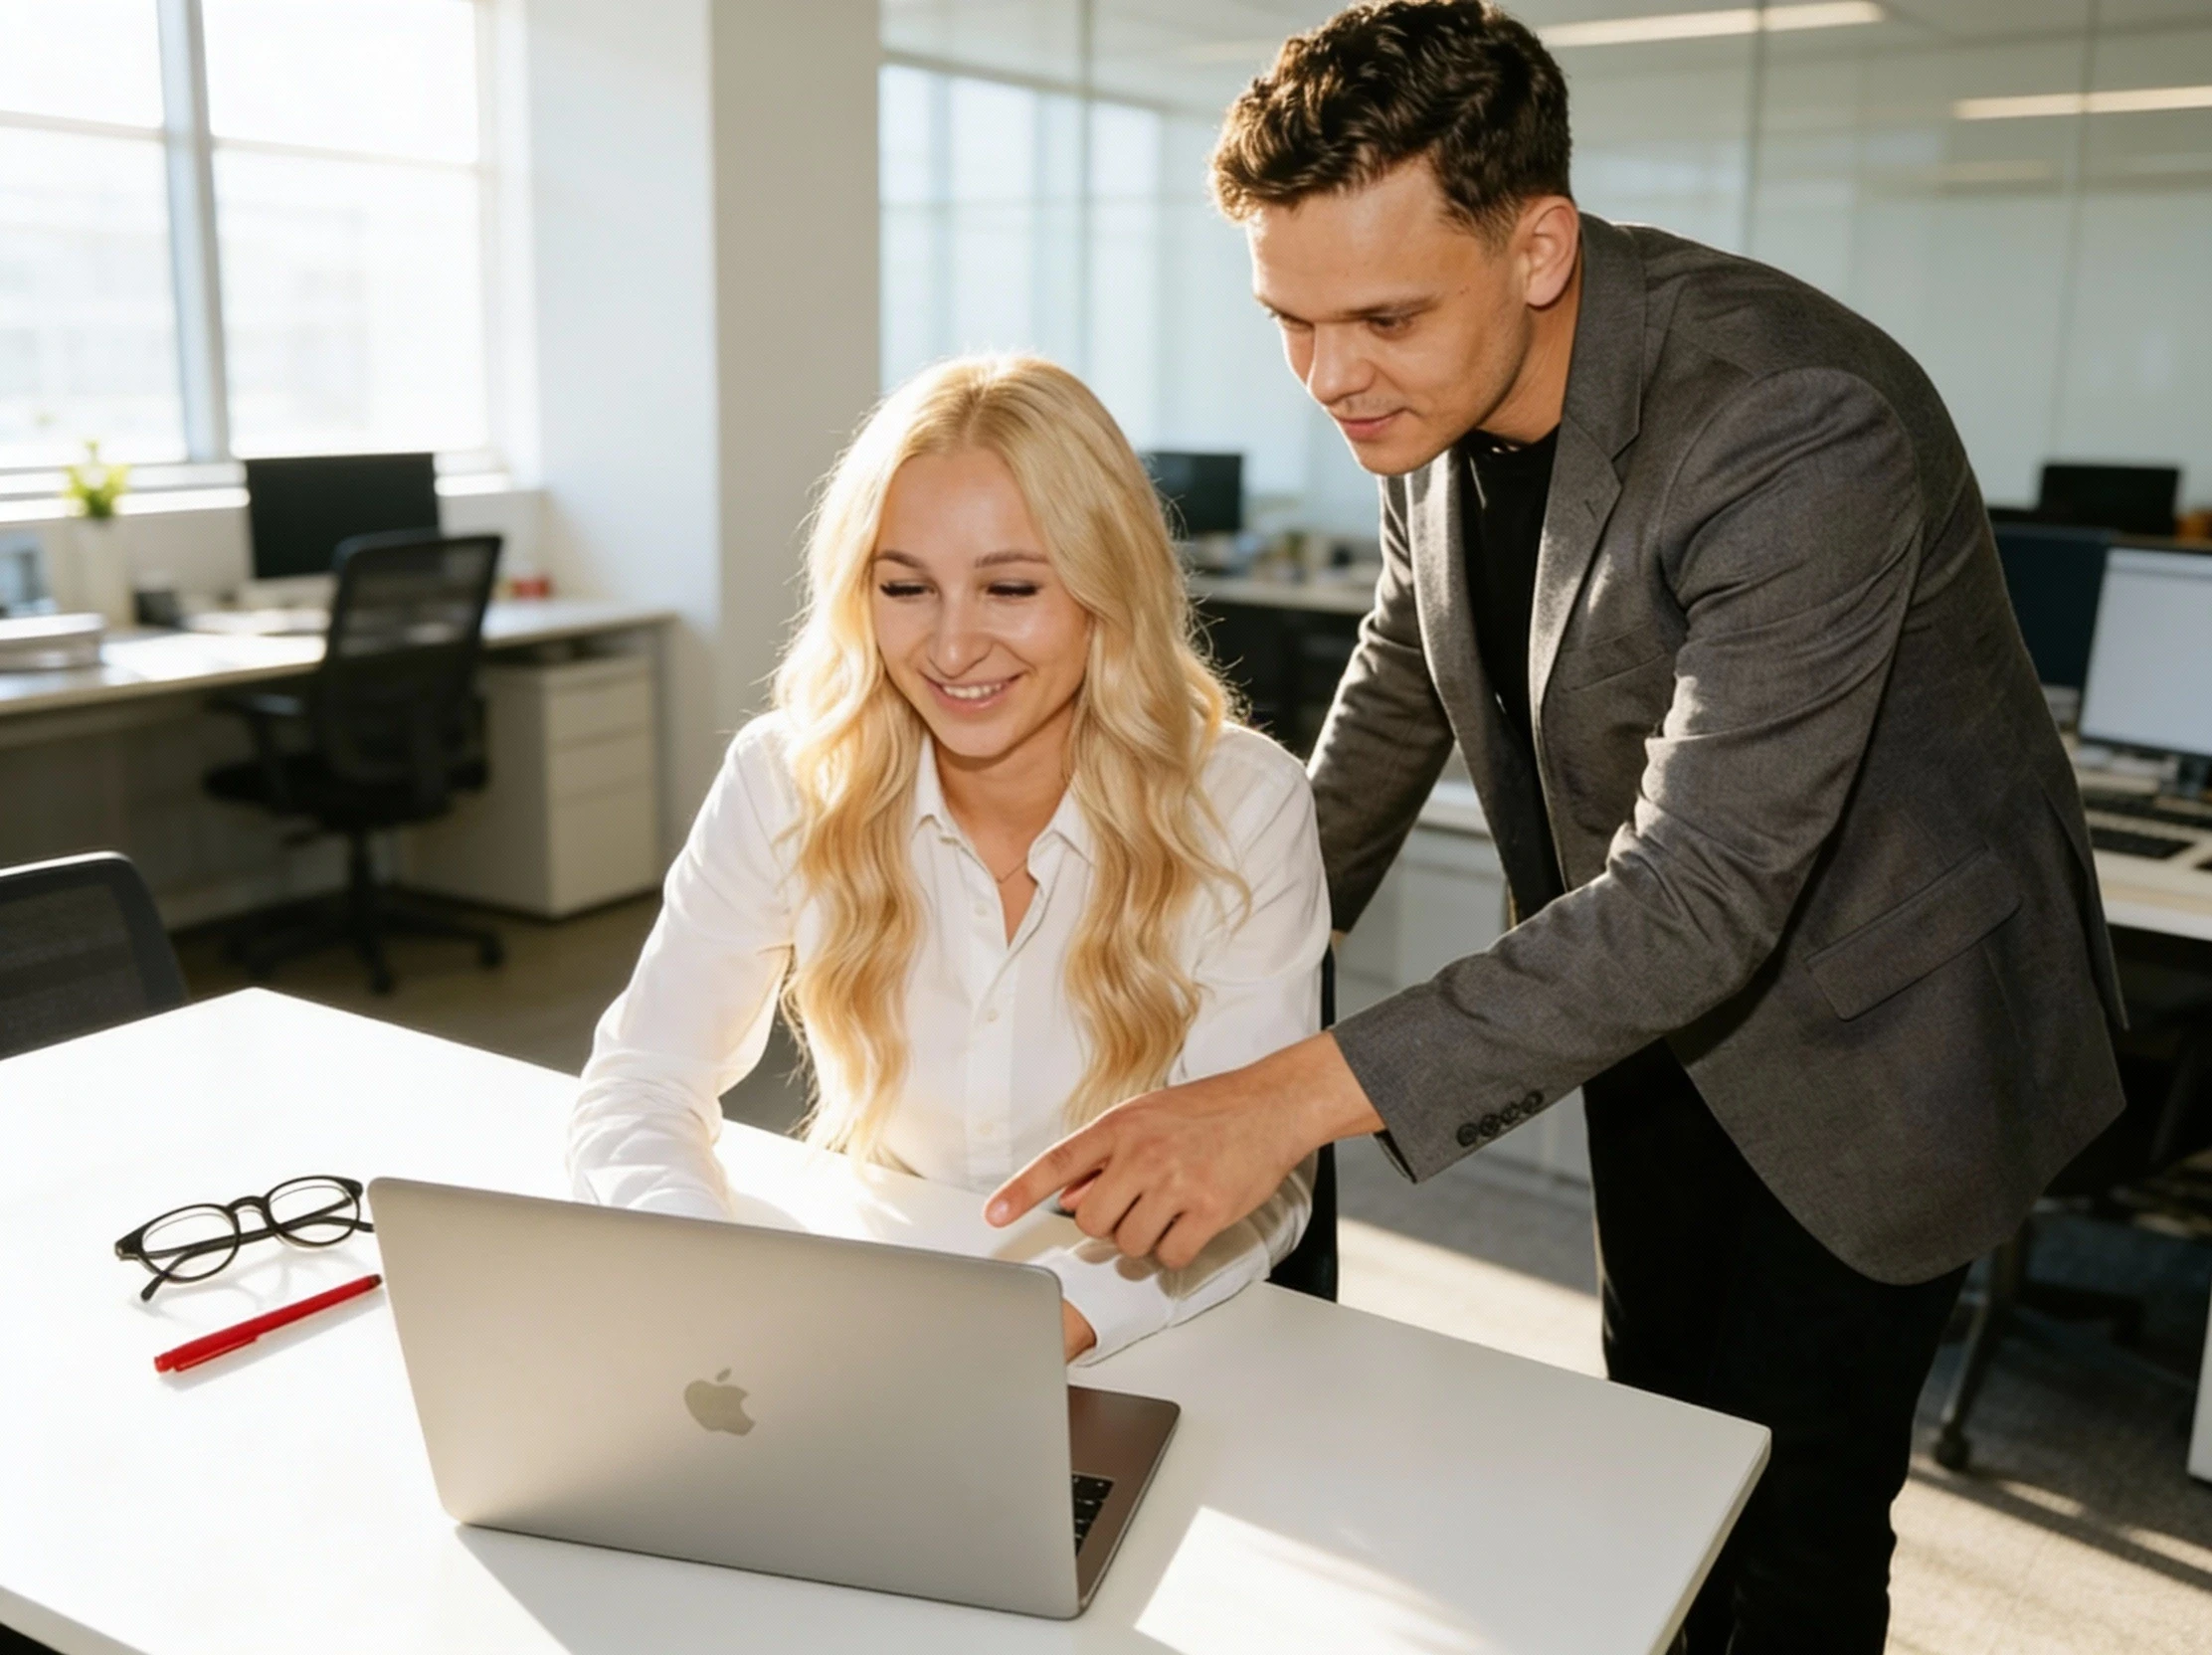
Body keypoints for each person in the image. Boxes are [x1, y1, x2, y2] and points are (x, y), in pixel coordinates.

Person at [987, 4, 2124, 1646]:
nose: (1327, 377)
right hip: (1652, 1009)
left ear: (1534, 245)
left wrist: (1278, 1098)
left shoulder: (1788, 420)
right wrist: (1198, 961)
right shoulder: (1422, 401)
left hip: (1882, 1030)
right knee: (1654, 1451)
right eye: (1286, 321)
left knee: (1791, 1512)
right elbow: (1397, 686)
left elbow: (1702, 885)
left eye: (1375, 316)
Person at [568, 353, 1329, 1366]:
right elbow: (639, 1082)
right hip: (873, 1312)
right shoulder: (789, 775)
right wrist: (702, 1265)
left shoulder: (1242, 806)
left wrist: (1013, 1335)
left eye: (1010, 585)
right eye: (905, 586)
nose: (952, 645)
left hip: (1143, 1334)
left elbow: (1255, 1177)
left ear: (1109, 586)